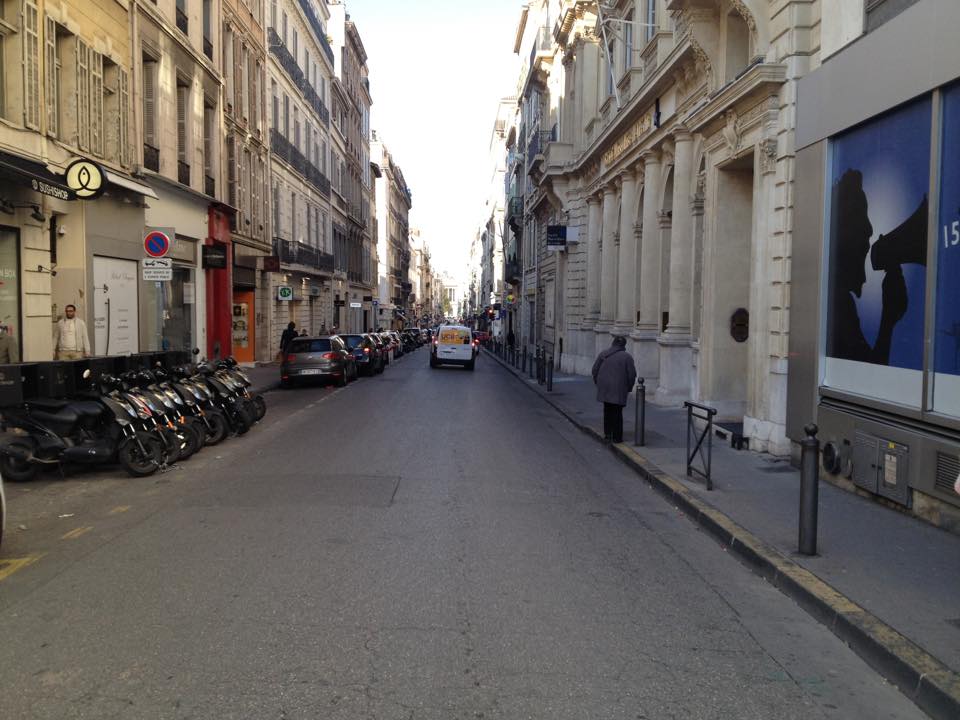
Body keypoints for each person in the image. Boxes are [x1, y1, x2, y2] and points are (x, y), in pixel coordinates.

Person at [592, 336, 637, 443]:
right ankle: (617, 437)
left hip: (605, 387)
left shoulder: (603, 354)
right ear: (624, 345)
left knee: (607, 410)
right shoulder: (627, 357)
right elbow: (632, 375)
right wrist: (628, 387)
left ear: (613, 343)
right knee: (617, 412)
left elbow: (594, 370)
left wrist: (598, 383)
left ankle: (608, 434)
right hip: (619, 389)